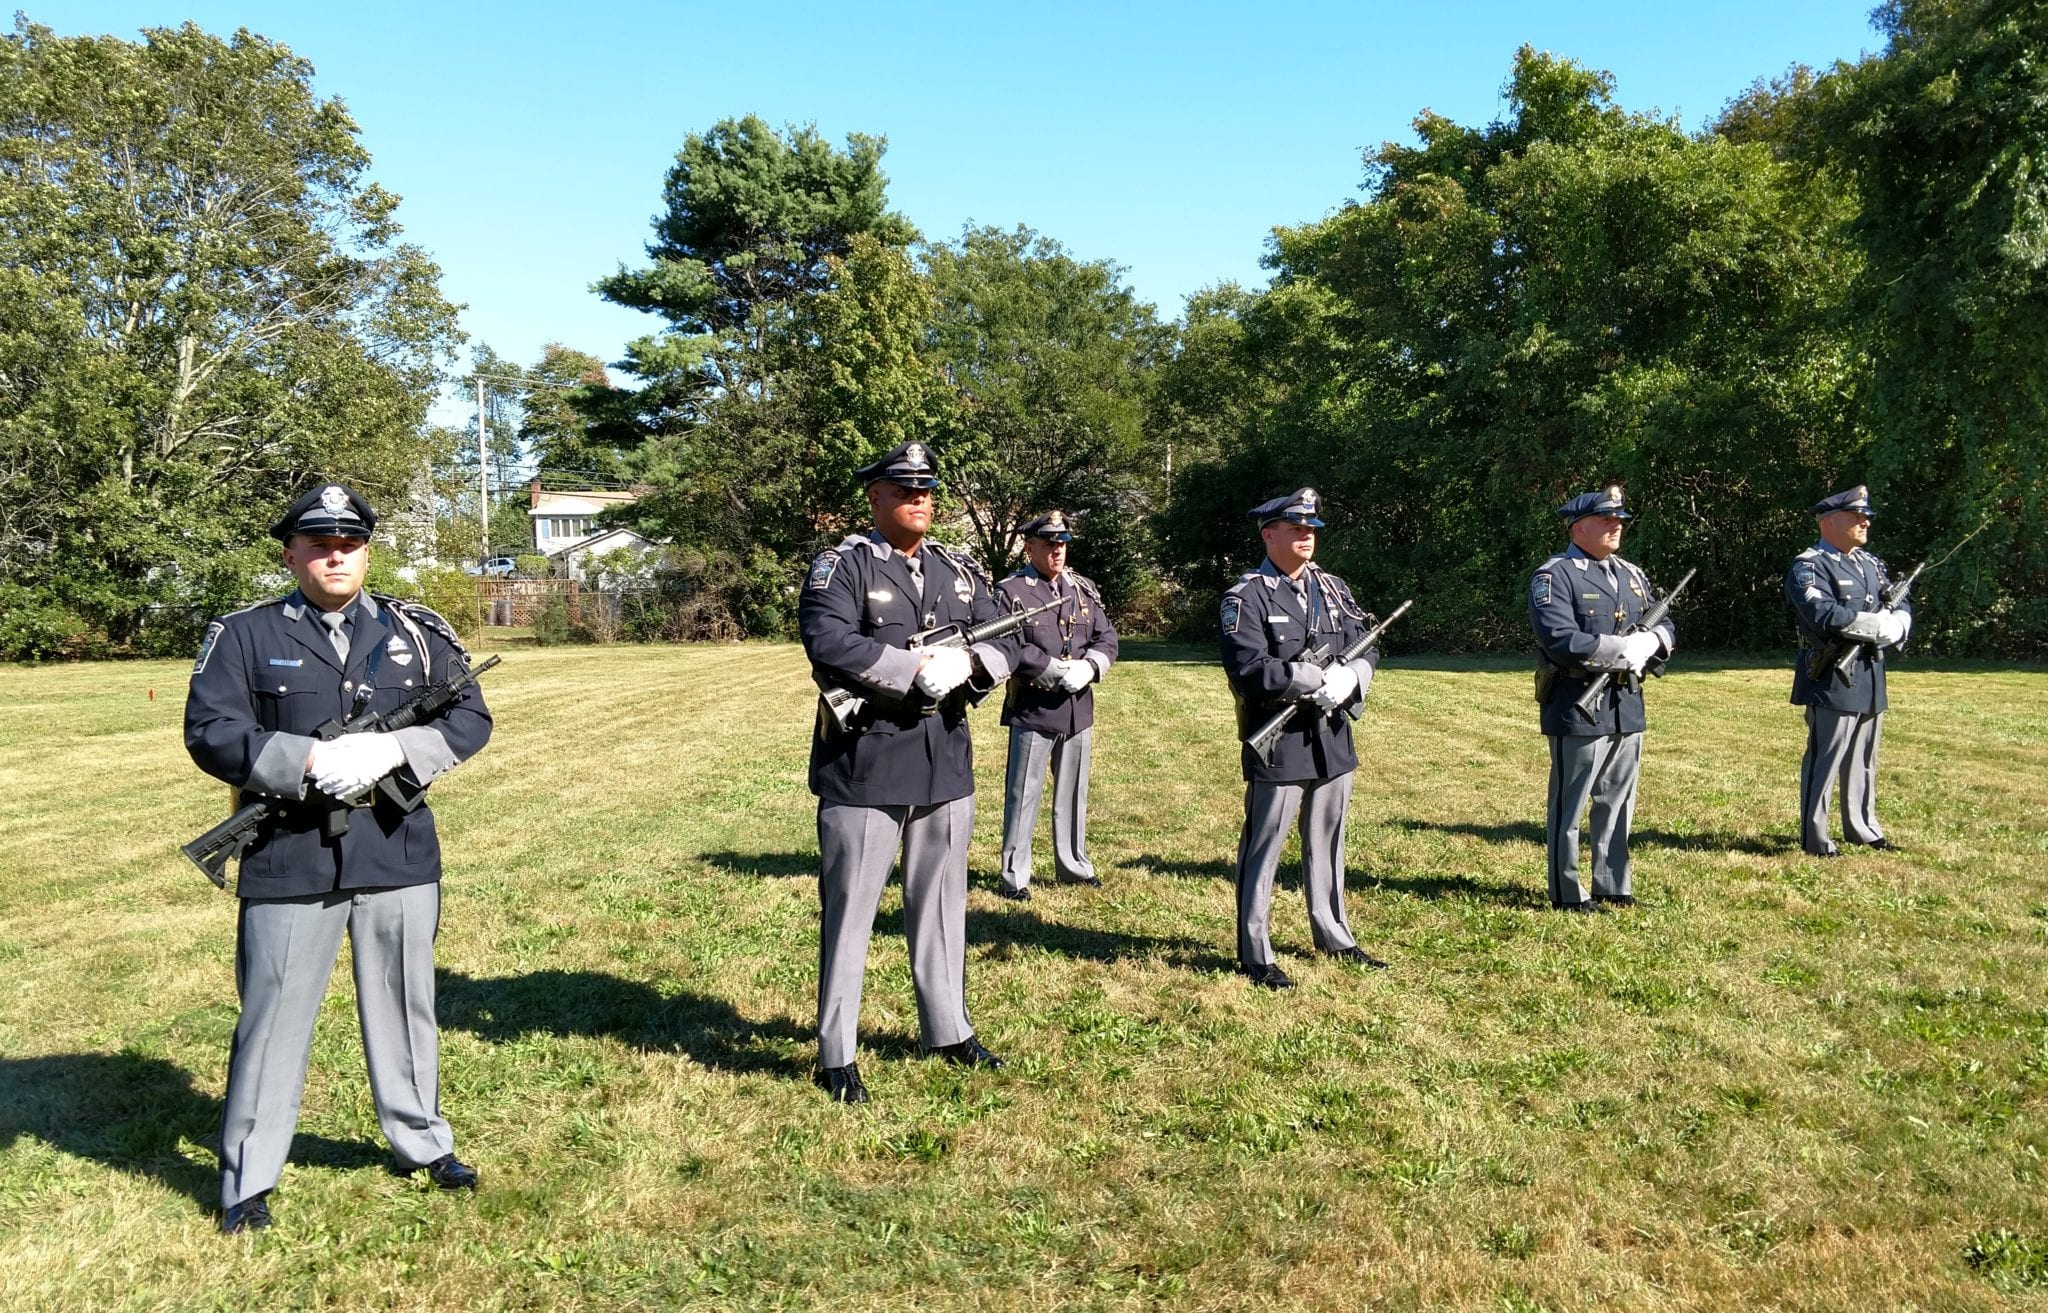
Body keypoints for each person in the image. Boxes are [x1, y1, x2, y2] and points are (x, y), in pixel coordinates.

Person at [184, 483, 493, 1234]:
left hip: (396, 852)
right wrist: (309, 759)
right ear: (291, 553)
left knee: (406, 1006)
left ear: (366, 550)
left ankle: (422, 1144)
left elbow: (470, 716)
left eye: (348, 543)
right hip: (289, 859)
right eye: (318, 544)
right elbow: (210, 732)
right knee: (272, 1017)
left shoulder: (415, 630)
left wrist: (395, 747)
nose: (335, 556)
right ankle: (248, 1177)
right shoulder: (245, 635)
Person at [797, 441, 1030, 1103]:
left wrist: (974, 665)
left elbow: (1009, 635)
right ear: (875, 498)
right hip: (866, 760)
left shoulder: (958, 570)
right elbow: (829, 641)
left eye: (926, 490)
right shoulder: (842, 566)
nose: (919, 501)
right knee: (852, 914)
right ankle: (836, 1052)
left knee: (941, 906)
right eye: (904, 491)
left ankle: (947, 1028)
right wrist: (911, 671)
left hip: (943, 760)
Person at [1219, 488, 1389, 989]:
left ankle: (1333, 932)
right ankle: (1255, 950)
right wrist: (1313, 679)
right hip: (1281, 737)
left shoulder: (1333, 587)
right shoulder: (1246, 596)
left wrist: (1354, 675)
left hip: (1331, 734)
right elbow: (1249, 668)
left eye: (1311, 529)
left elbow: (1370, 638)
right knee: (1265, 843)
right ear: (1268, 534)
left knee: (1329, 840)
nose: (1307, 537)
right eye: (1296, 529)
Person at [1528, 485, 1676, 913]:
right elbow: (1558, 638)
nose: (1616, 526)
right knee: (1570, 803)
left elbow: (1665, 621)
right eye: (1606, 520)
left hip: (1624, 700)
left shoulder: (1631, 573)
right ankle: (1567, 891)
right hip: (1577, 697)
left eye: (1619, 520)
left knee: (1618, 799)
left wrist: (1653, 644)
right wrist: (1617, 649)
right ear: (1578, 528)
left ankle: (1613, 883)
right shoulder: (1555, 575)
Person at [994, 510, 1120, 901]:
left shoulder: (1082, 588)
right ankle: (1015, 875)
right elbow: (1009, 644)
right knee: (1023, 793)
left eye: (1062, 543)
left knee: (1073, 791)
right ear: (1029, 546)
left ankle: (1074, 865)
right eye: (1049, 543)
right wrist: (1050, 669)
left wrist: (1091, 666)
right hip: (1034, 705)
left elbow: (1107, 636)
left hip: (1077, 706)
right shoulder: (1011, 591)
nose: (1057, 550)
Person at [1785, 485, 1913, 857]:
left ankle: (1863, 827)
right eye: (1856, 516)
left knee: (1864, 757)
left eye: (1866, 516)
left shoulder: (1870, 564)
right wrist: (1877, 626)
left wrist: (1900, 625)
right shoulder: (1809, 565)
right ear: (1829, 521)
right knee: (1826, 757)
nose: (1865, 521)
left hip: (1870, 672)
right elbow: (1822, 614)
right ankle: (1815, 836)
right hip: (1831, 674)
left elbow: (1901, 600)